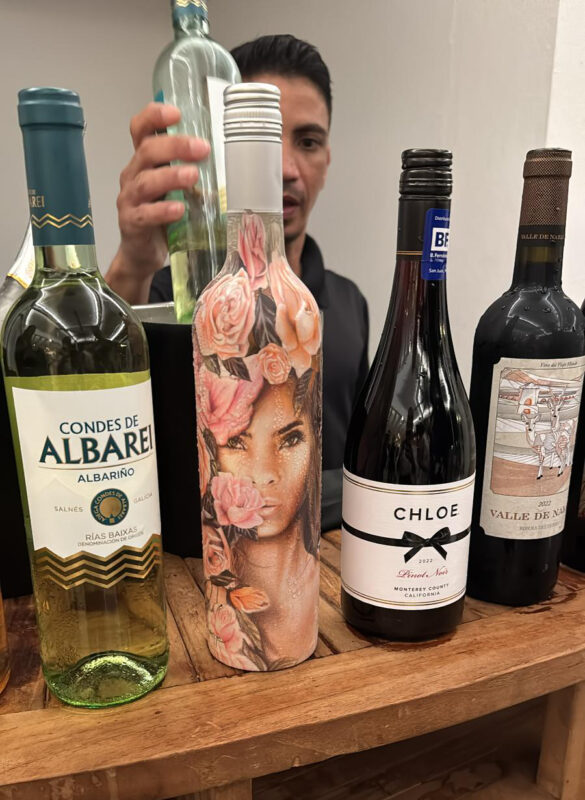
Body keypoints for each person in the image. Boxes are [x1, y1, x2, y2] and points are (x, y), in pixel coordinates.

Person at [105, 34, 369, 530]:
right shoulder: (175, 300)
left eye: (307, 141)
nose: (285, 168)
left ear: (327, 158)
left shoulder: (350, 302)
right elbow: (109, 411)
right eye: (264, 138)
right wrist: (133, 266)